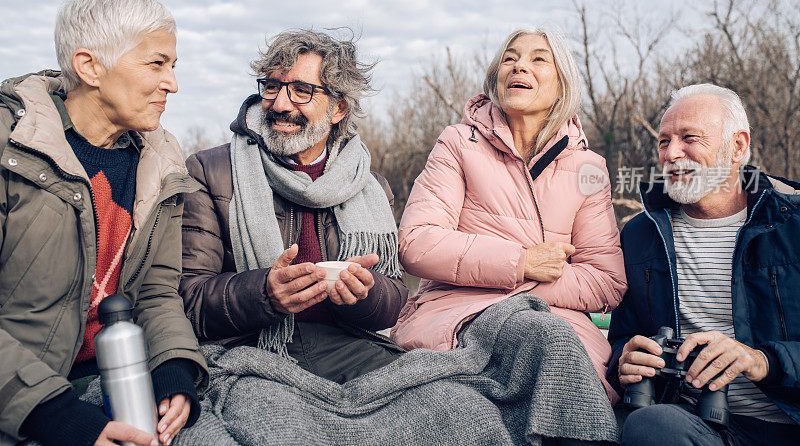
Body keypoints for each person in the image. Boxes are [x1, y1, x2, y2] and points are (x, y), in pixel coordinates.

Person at [0, 0, 208, 446]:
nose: (172, 83)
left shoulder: (162, 163)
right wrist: (56, 418)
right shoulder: (9, 148)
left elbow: (155, 291)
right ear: (90, 66)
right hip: (25, 403)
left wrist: (173, 370)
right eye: (157, 64)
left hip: (120, 381)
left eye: (173, 66)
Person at [391, 26, 627, 403]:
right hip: (456, 314)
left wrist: (523, 285)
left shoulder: (589, 168)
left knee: (566, 368)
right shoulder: (457, 144)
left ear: (562, 84)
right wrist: (521, 263)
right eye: (510, 58)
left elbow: (606, 280)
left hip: (558, 321)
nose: (520, 67)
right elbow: (417, 241)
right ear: (496, 77)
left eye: (538, 59)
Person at [179, 29, 407, 383]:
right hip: (249, 350)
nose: (281, 104)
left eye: (302, 91)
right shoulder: (210, 172)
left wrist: (365, 293)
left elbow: (394, 299)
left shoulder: (371, 186)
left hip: (350, 347)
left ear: (338, 108)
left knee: (452, 405)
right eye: (272, 87)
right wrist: (263, 294)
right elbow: (187, 298)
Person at [608, 84, 800, 445]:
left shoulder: (793, 224)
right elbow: (622, 335)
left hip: (789, 422)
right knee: (647, 425)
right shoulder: (641, 234)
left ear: (738, 147)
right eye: (664, 142)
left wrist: (762, 361)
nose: (672, 153)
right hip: (697, 425)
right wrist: (625, 360)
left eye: (689, 138)